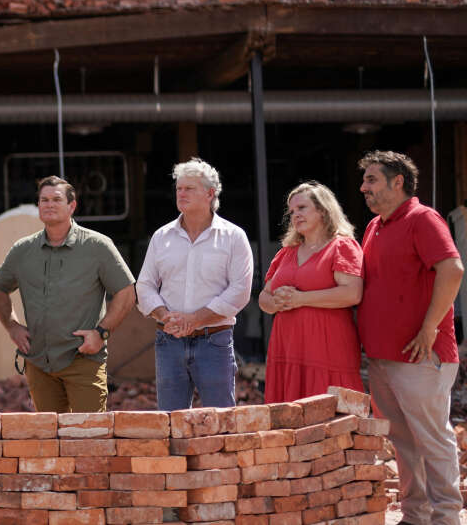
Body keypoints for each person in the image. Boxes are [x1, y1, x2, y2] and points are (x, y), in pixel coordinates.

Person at [357, 150, 464, 525]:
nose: (363, 188)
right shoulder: (375, 227)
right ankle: (415, 515)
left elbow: (452, 269)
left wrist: (429, 328)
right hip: (384, 356)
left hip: (422, 353)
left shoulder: (423, 218)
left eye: (371, 180)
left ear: (397, 181)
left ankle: (447, 517)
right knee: (404, 441)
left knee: (432, 438)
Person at [0, 175, 136, 413]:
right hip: (38, 363)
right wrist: (12, 326)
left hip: (83, 360)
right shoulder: (23, 250)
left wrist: (101, 333)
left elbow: (126, 292)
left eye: (56, 199)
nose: (49, 204)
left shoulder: (98, 246)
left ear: (72, 206)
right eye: (43, 200)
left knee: (88, 438)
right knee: (49, 439)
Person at [135, 158, 253, 411]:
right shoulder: (161, 237)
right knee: (170, 423)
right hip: (169, 340)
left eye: (189, 188)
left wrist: (196, 319)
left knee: (221, 423)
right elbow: (144, 285)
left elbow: (240, 291)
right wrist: (166, 317)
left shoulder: (234, 237)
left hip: (215, 340)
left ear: (210, 193)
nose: (181, 193)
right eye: (179, 188)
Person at [258, 181, 364, 402]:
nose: (295, 215)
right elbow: (263, 299)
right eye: (292, 211)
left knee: (331, 423)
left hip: (326, 350)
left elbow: (352, 293)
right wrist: (277, 302)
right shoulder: (286, 252)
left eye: (302, 208)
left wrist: (300, 299)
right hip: (287, 349)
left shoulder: (341, 246)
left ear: (324, 210)